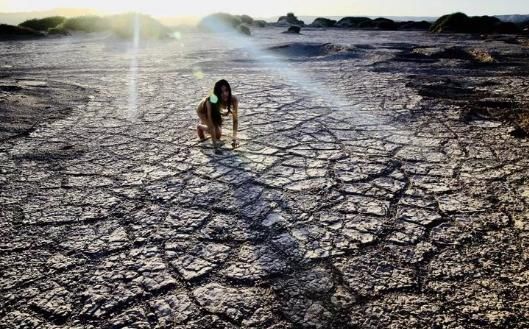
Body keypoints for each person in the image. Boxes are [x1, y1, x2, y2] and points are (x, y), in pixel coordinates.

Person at [196, 79, 239, 150]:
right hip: (202, 111)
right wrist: (214, 145)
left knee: (218, 135)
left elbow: (235, 120)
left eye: (226, 90)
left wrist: (234, 138)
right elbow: (211, 124)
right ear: (217, 93)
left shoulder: (233, 99)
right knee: (216, 133)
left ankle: (205, 124)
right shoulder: (211, 101)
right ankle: (199, 126)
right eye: (221, 92)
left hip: (214, 111)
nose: (225, 94)